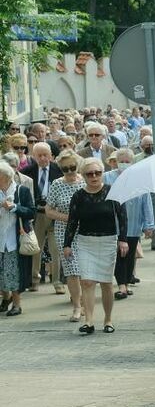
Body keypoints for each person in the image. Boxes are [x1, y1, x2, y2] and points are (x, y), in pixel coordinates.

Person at [63, 159, 127, 336]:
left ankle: (108, 319)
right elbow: (72, 221)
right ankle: (89, 321)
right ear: (83, 176)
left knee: (106, 283)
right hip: (85, 242)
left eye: (97, 173)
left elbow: (122, 217)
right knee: (87, 281)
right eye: (89, 174)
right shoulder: (78, 196)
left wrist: (123, 240)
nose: (94, 177)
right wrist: (67, 244)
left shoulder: (112, 191)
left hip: (107, 241)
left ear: (102, 174)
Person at [104, 149, 153, 301]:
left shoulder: (139, 180)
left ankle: (126, 282)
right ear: (115, 162)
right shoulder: (107, 177)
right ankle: (121, 286)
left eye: (127, 161)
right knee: (119, 255)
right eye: (121, 161)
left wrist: (149, 224)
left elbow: (146, 202)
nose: (124, 164)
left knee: (130, 256)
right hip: (113, 224)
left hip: (133, 223)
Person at [47, 151, 84, 318]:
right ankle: (77, 306)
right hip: (64, 231)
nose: (69, 172)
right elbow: (48, 210)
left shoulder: (85, 181)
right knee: (72, 269)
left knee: (84, 269)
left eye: (72, 167)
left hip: (85, 231)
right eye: (65, 169)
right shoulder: (56, 184)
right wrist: (68, 218)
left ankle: (85, 303)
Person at [21, 142, 62, 292]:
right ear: (33, 156)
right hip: (37, 214)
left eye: (46, 155)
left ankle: (57, 281)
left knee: (55, 249)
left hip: (55, 213)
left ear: (51, 155)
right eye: (39, 155)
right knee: (35, 247)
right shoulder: (27, 171)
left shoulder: (59, 170)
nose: (43, 158)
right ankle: (34, 280)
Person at [0, 163, 35, 316]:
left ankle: (17, 304)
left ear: (6, 178)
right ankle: (5, 298)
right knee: (2, 272)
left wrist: (14, 207)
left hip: (14, 239)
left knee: (13, 272)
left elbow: (31, 212)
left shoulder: (21, 191)